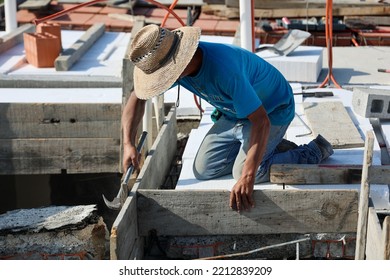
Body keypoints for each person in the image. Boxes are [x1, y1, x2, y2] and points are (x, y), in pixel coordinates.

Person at [121, 24, 334, 212]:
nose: (162, 82)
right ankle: (268, 146)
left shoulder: (224, 71)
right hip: (234, 113)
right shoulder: (178, 69)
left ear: (177, 66)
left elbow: (261, 122)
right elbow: (137, 98)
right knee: (204, 170)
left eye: (162, 77)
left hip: (271, 111)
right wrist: (129, 144)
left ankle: (313, 151)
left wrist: (247, 177)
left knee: (244, 172)